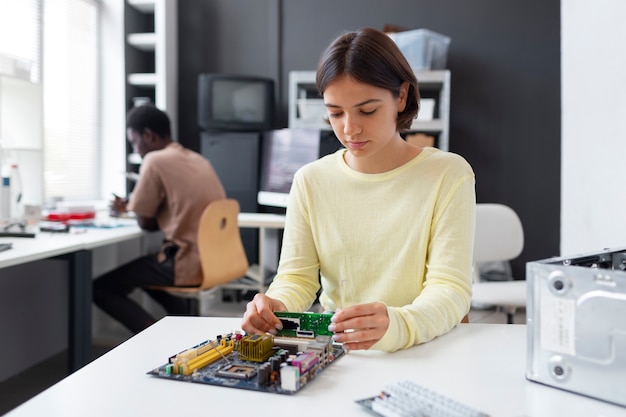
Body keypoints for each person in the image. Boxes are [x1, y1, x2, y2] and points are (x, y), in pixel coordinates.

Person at [241, 28, 476, 352]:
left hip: (426, 351)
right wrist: (276, 307)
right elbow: (297, 278)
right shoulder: (310, 180)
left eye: (367, 110)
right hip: (340, 354)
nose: (349, 128)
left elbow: (450, 289)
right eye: (335, 113)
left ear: (402, 97)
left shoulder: (448, 174)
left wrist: (400, 325)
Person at [93, 104, 226, 333]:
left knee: (100, 288)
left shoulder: (154, 160)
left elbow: (146, 223)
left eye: (135, 142)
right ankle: (183, 324)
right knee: (145, 274)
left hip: (187, 262)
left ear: (148, 136)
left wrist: (133, 207)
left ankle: (153, 336)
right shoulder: (197, 160)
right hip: (214, 258)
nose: (137, 150)